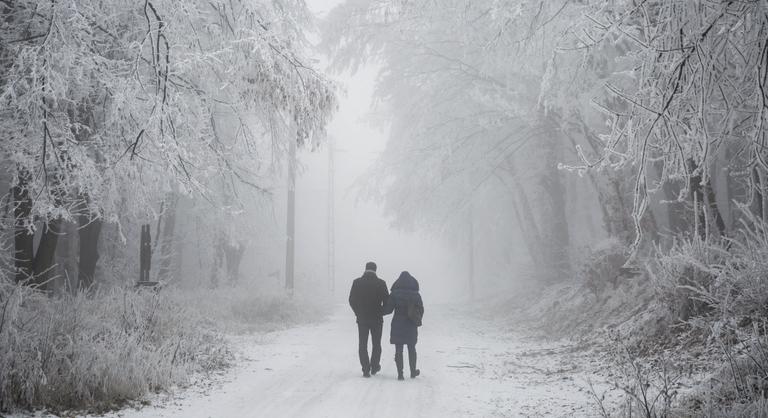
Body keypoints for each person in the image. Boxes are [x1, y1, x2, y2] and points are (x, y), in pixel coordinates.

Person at [348, 261, 389, 378]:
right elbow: (387, 302)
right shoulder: (381, 283)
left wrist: (358, 312)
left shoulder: (357, 282)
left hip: (362, 319)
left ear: (365, 269)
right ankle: (375, 366)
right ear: (375, 270)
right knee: (376, 344)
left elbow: (351, 300)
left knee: (362, 344)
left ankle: (365, 369)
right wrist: (381, 312)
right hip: (377, 319)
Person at [383, 271, 424, 380]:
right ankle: (413, 372)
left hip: (398, 323)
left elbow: (388, 310)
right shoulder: (416, 295)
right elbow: (421, 309)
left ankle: (400, 374)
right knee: (411, 348)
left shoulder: (395, 294)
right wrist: (416, 318)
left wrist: (377, 312)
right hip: (411, 324)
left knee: (398, 349)